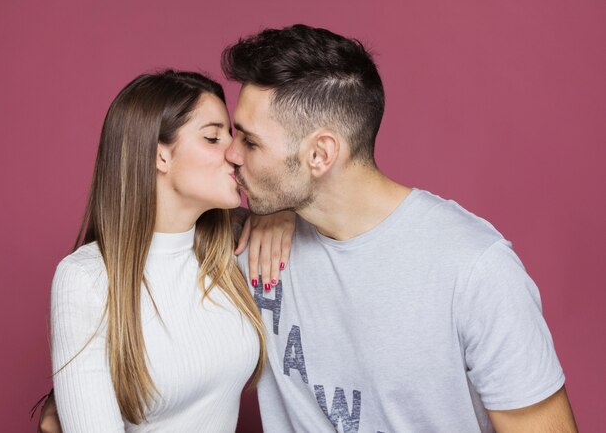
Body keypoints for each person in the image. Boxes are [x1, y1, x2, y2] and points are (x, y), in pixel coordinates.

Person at [222, 24, 578, 432]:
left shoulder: (475, 269)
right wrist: (270, 212)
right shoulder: (252, 244)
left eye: (250, 143)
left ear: (320, 154)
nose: (231, 154)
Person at [46, 69, 287, 433]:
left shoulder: (229, 249)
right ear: (160, 156)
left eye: (234, 137)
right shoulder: (86, 279)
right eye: (213, 137)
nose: (236, 154)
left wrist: (282, 213)